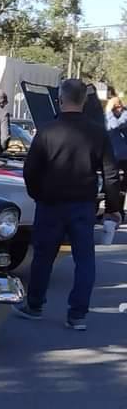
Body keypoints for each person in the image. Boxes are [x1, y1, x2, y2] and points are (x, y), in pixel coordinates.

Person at [15, 78, 123, 330]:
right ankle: (77, 315)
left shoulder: (47, 131)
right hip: (83, 205)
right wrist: (113, 208)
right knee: (85, 259)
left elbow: (30, 170)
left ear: (60, 99)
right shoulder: (98, 133)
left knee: (43, 256)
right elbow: (110, 174)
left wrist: (37, 194)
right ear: (84, 100)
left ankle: (34, 305)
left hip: (50, 203)